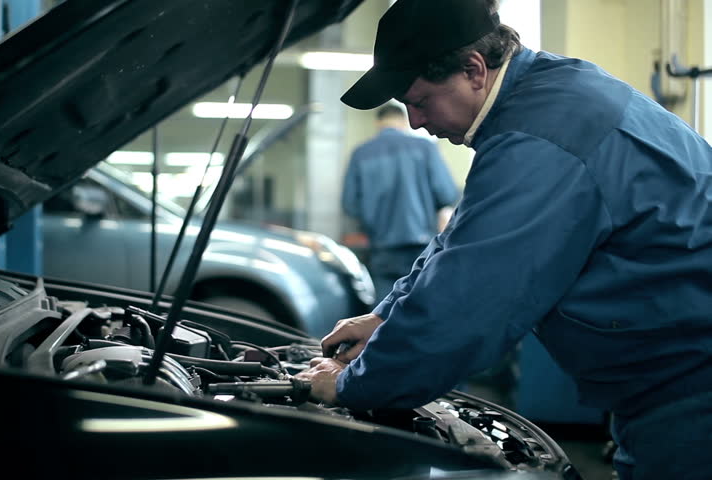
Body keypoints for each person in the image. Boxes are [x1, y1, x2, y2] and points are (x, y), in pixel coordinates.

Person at [295, 0, 712, 478]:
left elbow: (468, 303)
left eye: (421, 101)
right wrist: (384, 317)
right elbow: (463, 238)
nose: (414, 122)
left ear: (474, 70)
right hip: (670, 382)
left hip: (692, 387)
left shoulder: (543, 137)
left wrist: (351, 385)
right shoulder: (541, 99)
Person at [341, 103, 459, 303]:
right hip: (422, 246)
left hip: (382, 247)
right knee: (422, 304)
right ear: (404, 121)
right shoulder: (425, 148)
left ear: (378, 123)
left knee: (384, 308)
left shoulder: (361, 153)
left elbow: (350, 204)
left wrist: (372, 221)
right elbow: (447, 194)